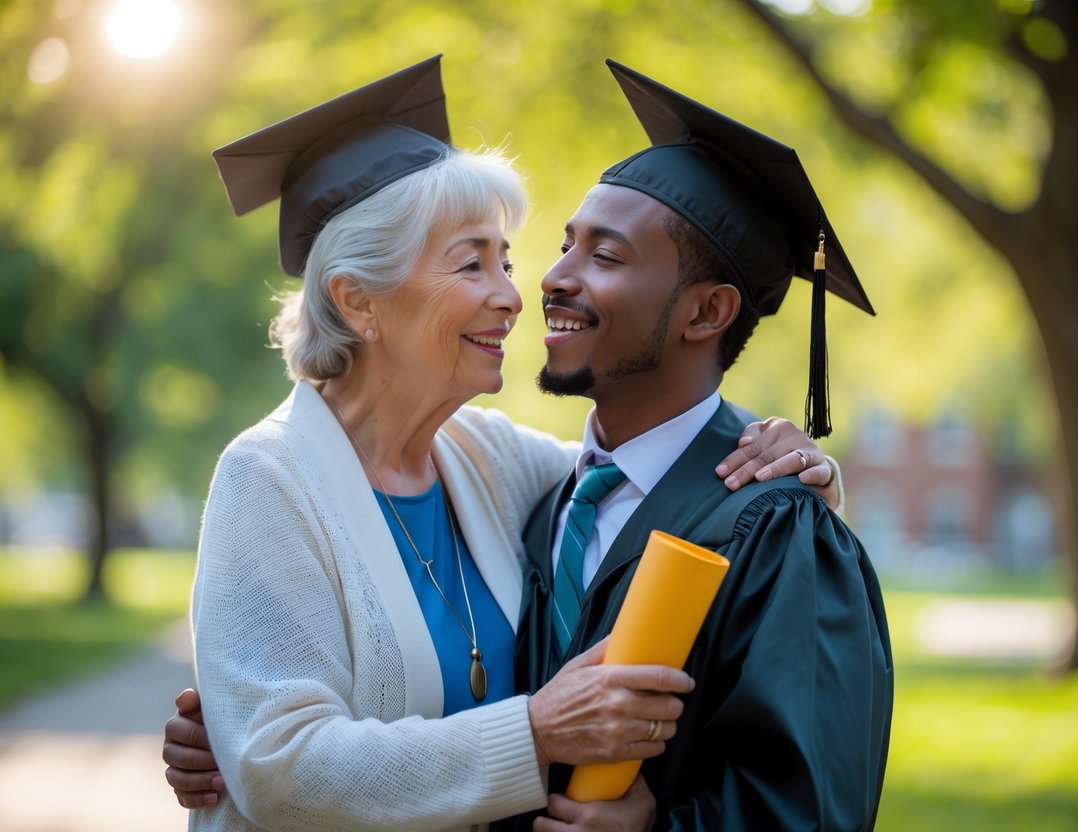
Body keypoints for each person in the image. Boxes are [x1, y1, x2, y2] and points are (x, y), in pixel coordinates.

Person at [176, 55, 839, 832]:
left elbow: (651, 482)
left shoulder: (485, 461)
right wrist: (534, 732)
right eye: (471, 264)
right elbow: (277, 768)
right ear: (358, 301)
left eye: (506, 260)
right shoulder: (270, 476)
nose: (514, 294)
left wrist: (801, 476)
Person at [503, 61, 894, 830]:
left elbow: (811, 810)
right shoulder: (546, 504)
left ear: (706, 312)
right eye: (564, 246)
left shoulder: (776, 528)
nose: (552, 278)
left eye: (604, 257)